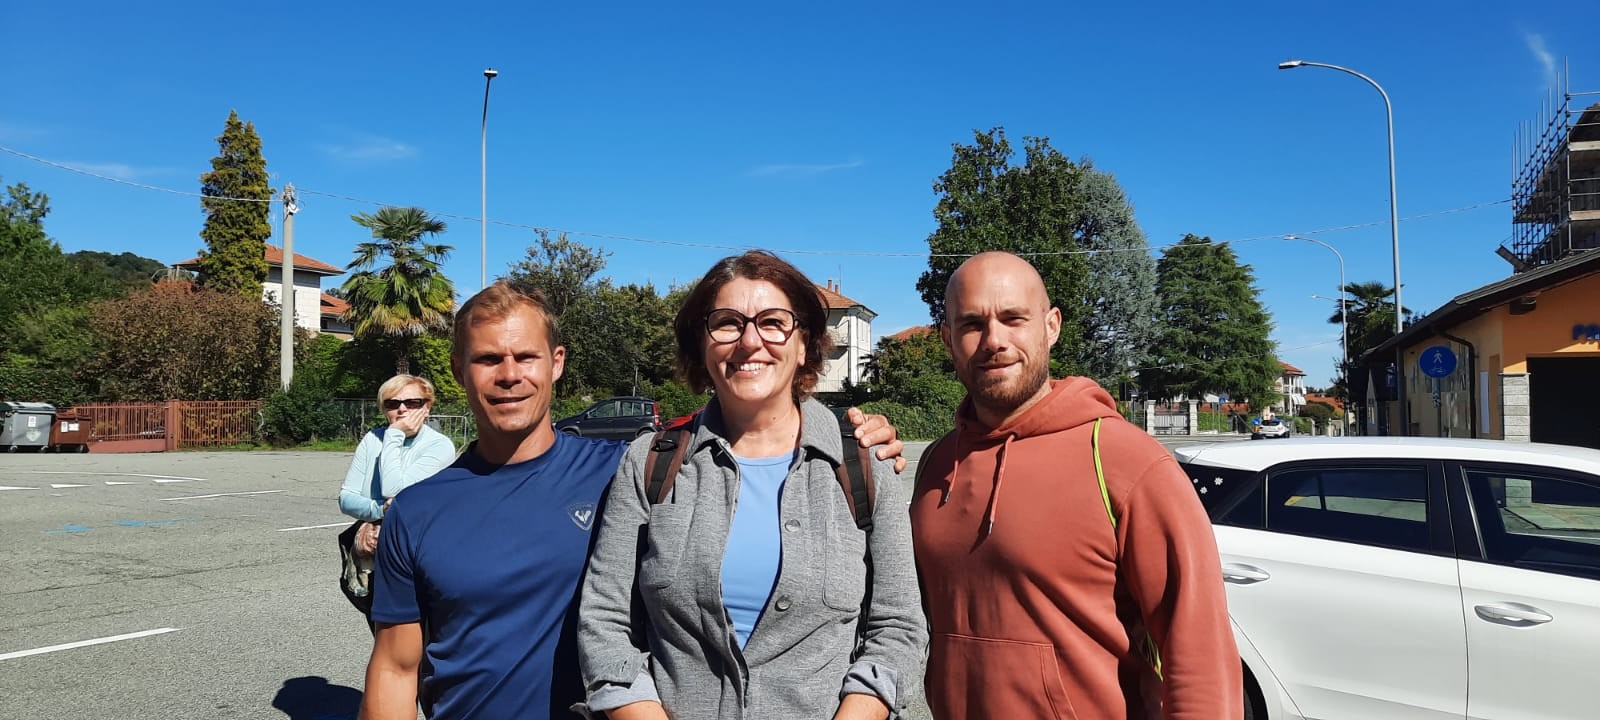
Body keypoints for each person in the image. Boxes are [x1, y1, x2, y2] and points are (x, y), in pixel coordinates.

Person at [359, 281, 906, 720]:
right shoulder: (416, 512)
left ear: (556, 363)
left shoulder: (626, 471)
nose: (509, 375)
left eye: (526, 356)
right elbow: (395, 671)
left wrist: (860, 435)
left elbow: (739, 437)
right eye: (487, 359)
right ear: (458, 370)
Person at [577, 250, 927, 720]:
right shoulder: (649, 463)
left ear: (804, 344)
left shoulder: (864, 464)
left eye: (773, 322)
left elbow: (899, 627)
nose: (749, 341)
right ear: (702, 344)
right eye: (727, 323)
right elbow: (604, 622)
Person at [910, 251, 1241, 720]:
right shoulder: (935, 464)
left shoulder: (1125, 460)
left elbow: (1200, 656)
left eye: (1013, 319)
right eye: (972, 324)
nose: (994, 341)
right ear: (948, 339)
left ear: (1051, 326)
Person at [338, 374, 457, 558]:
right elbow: (346, 499)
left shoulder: (440, 446)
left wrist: (394, 435)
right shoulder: (372, 439)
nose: (402, 409)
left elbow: (393, 490)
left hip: (417, 548)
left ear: (427, 407)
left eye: (412, 403)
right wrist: (379, 510)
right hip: (373, 550)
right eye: (392, 404)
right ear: (384, 409)